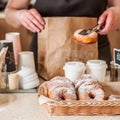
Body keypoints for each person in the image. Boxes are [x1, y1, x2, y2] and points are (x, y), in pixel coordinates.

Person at [5, 0, 120, 70]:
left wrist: (117, 14)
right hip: (44, 58)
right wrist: (21, 16)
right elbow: (10, 13)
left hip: (96, 60)